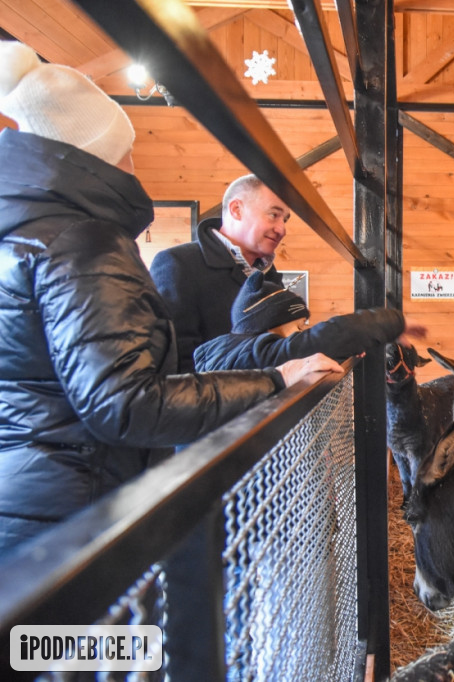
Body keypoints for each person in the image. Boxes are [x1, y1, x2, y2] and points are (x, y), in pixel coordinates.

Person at [0, 41, 342, 557]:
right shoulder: (86, 242)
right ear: (98, 156)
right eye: (126, 149)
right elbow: (130, 399)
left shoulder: (30, 233)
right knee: (104, 638)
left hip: (42, 495)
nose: (133, 164)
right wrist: (274, 379)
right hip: (82, 502)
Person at [150, 174, 289, 372]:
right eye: (274, 215)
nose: (282, 229)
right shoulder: (178, 264)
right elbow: (173, 363)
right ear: (236, 209)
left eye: (285, 219)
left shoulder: (269, 276)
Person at [194, 271, 428, 371]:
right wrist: (393, 322)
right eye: (298, 327)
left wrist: (344, 352)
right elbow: (328, 336)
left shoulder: (232, 353)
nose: (302, 332)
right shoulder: (257, 354)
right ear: (270, 326)